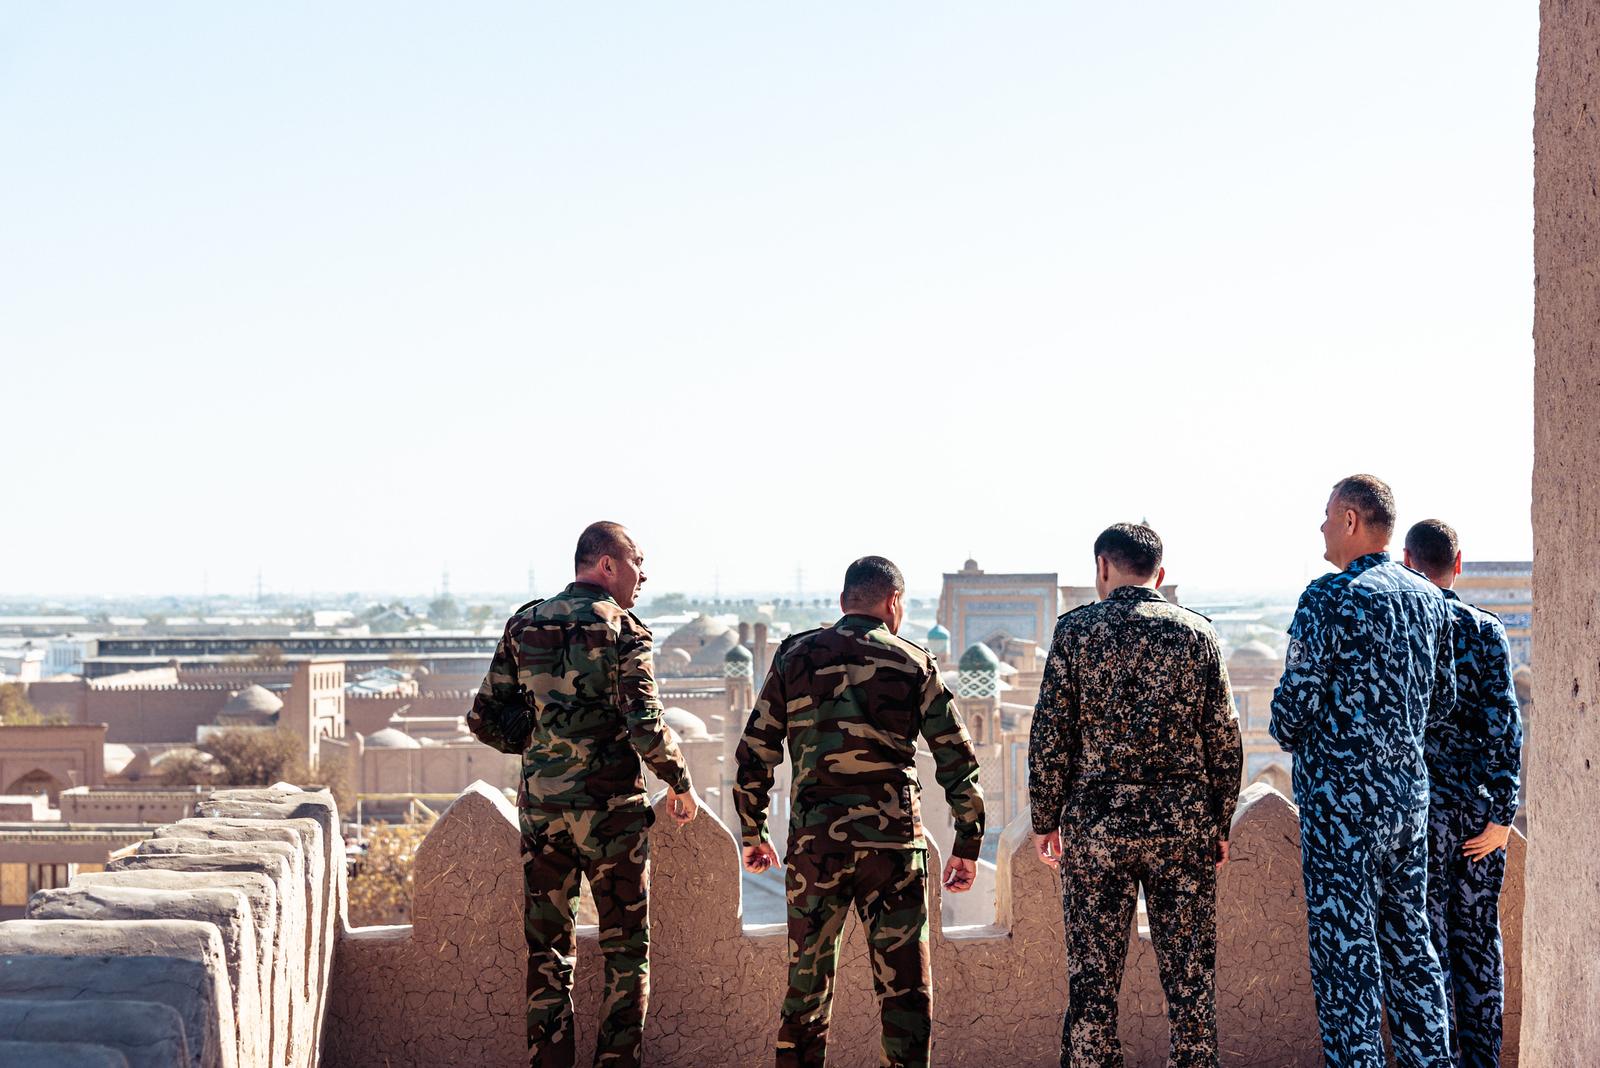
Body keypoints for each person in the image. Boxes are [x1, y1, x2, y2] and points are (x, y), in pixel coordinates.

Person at [733, 555, 985, 1068]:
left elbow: (756, 750)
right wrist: (967, 843)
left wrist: (753, 830)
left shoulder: (794, 656)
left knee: (806, 994)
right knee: (905, 997)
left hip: (816, 849)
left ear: (843, 599)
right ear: (893, 602)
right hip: (893, 850)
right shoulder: (914, 663)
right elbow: (957, 758)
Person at [467, 521, 698, 1068]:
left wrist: (540, 745)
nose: (644, 575)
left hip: (544, 812)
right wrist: (680, 783)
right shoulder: (624, 630)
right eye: (638, 562)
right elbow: (645, 723)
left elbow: (483, 717)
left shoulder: (525, 622)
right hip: (612, 815)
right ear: (608, 565)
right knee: (626, 952)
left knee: (547, 952)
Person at [1029, 522, 1242, 1068]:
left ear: (1103, 567)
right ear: (1160, 574)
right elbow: (1223, 738)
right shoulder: (1196, 633)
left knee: (1093, 988)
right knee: (1191, 986)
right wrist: (1219, 826)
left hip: (1098, 830)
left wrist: (1045, 818)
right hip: (1182, 827)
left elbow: (1052, 734)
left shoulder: (1076, 632)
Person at [1270, 475, 1455, 1068]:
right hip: (1408, 804)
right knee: (1411, 947)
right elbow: (1444, 700)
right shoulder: (1429, 598)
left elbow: (1291, 711)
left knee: (1347, 961)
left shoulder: (1328, 598)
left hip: (1343, 809)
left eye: (1327, 515)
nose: (1321, 527)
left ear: (1351, 520)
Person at [1403, 519, 1524, 1068]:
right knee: (1477, 944)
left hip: (1419, 814)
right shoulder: (1484, 630)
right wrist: (1502, 815)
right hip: (1475, 817)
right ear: (1458, 564)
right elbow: (1505, 727)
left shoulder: (1401, 627)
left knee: (1425, 946)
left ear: (1406, 562)